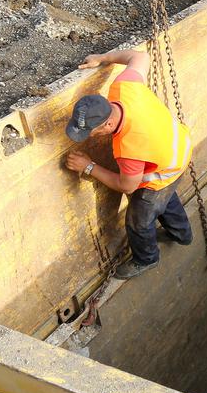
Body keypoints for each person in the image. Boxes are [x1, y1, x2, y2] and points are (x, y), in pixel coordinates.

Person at [64, 48, 194, 279]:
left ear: (107, 125)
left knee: (139, 219)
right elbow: (139, 57)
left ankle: (146, 259)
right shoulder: (124, 89)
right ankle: (181, 234)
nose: (87, 135)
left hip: (163, 171)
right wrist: (102, 58)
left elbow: (127, 186)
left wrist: (89, 167)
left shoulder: (130, 147)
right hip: (178, 152)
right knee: (166, 198)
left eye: (88, 131)